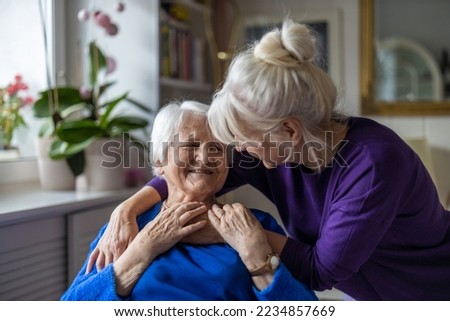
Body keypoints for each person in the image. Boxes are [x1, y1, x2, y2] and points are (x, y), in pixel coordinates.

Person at [88, 20, 450, 300]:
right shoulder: (273, 148)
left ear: (289, 132)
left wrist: (240, 239)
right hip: (368, 293)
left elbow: (318, 271)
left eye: (242, 141)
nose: (236, 153)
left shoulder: (372, 165)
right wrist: (128, 208)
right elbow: (194, 171)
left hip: (427, 291)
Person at [61, 100, 317, 301]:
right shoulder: (127, 229)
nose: (205, 157)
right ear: (160, 161)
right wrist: (141, 251)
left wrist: (257, 257)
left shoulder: (252, 225)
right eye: (191, 145)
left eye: (216, 148)